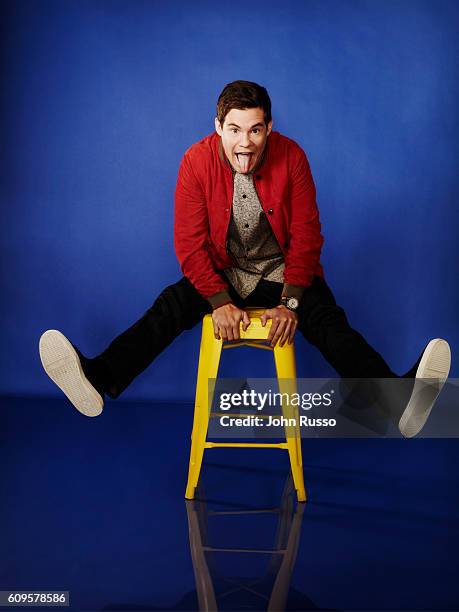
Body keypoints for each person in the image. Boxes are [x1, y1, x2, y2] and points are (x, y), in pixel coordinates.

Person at [39, 80, 451, 438]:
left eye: (255, 130)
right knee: (170, 306)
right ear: (218, 127)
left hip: (283, 272)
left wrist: (290, 303)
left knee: (326, 320)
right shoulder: (195, 162)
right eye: (234, 129)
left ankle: (397, 400)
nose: (245, 142)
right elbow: (189, 244)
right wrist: (219, 301)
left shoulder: (293, 157)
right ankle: (98, 378)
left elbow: (308, 236)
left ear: (269, 128)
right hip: (225, 273)